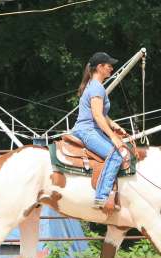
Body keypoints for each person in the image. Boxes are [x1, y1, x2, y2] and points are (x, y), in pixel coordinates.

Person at [71, 52, 127, 209]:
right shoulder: (97, 87)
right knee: (116, 155)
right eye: (109, 65)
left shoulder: (93, 85)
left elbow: (101, 114)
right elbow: (96, 115)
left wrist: (115, 125)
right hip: (88, 131)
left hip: (86, 129)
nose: (111, 68)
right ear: (100, 67)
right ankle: (101, 198)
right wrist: (113, 137)